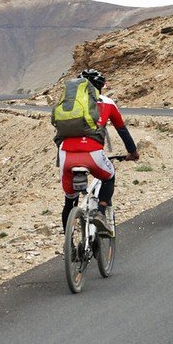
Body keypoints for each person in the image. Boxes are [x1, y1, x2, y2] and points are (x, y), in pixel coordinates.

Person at [58, 69, 139, 237]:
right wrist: (132, 152)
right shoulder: (107, 102)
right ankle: (100, 211)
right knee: (109, 175)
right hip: (92, 153)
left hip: (65, 154)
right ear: (100, 87)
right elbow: (122, 130)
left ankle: (69, 243)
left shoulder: (68, 103)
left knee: (70, 201)